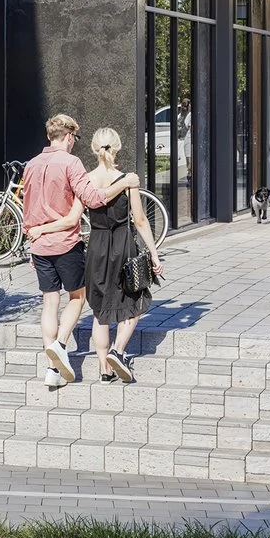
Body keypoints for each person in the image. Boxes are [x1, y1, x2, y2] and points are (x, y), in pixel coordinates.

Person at [16, 113, 123, 387]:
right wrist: (124, 183)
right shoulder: (70, 162)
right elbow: (93, 198)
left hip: (39, 244)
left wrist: (32, 242)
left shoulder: (31, 164)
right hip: (65, 242)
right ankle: (61, 345)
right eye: (74, 138)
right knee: (78, 296)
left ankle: (52, 370)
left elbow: (26, 208)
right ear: (69, 137)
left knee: (50, 302)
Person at [80, 128, 162, 384]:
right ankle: (118, 350)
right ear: (117, 147)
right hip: (123, 245)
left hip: (96, 245)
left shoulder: (86, 179)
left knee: (99, 310)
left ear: (94, 149)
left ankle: (104, 369)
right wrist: (154, 254)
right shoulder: (128, 180)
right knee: (135, 300)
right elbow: (139, 220)